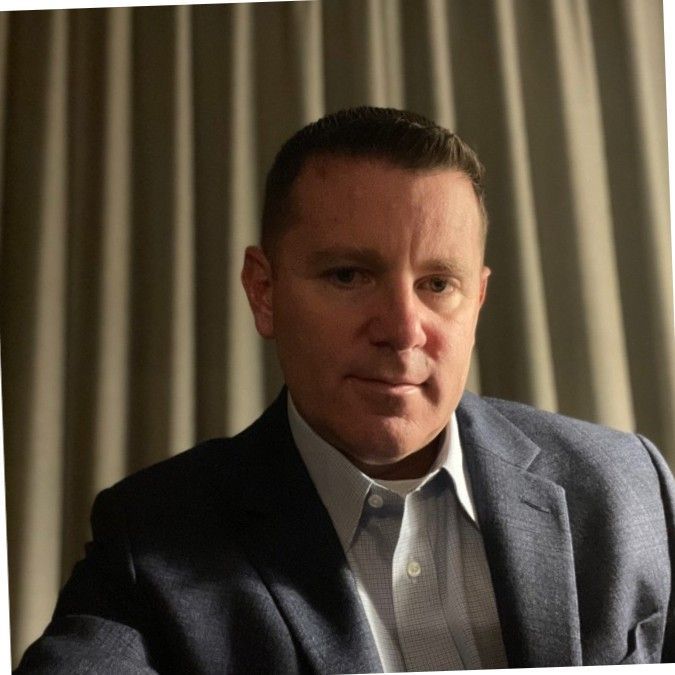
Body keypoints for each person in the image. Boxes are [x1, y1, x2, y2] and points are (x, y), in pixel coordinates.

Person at [15, 107, 675, 673]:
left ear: (476, 299)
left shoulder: (628, 486)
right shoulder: (153, 539)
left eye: (437, 284)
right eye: (348, 275)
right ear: (264, 290)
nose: (400, 329)